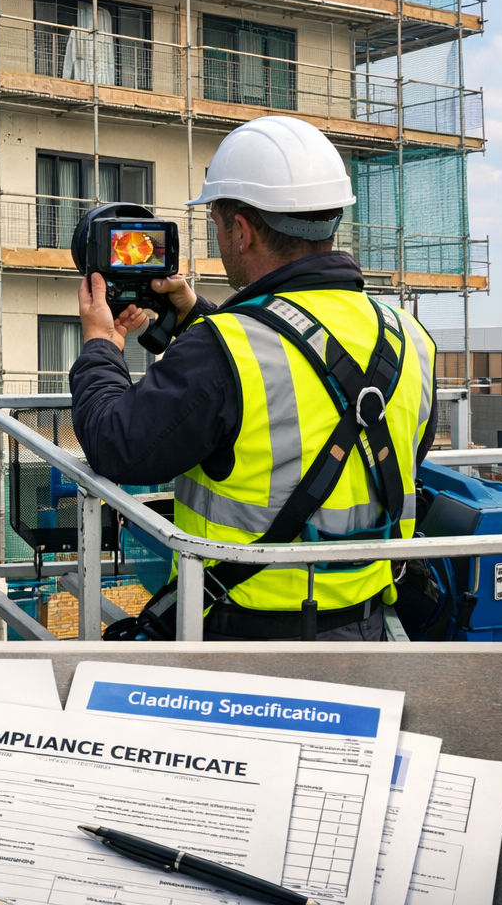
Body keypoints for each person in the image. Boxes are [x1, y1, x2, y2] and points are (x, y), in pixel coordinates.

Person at [69, 115, 436, 640]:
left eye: (217, 224)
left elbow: (116, 444)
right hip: (368, 630)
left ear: (240, 230)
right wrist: (194, 314)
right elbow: (298, 368)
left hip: (243, 643)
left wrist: (101, 345)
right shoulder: (410, 338)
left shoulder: (223, 349)